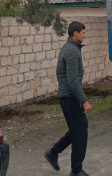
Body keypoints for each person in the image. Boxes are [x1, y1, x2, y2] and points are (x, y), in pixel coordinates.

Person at [44, 21, 92, 176]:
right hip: (70, 98)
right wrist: (84, 101)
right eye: (83, 32)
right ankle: (76, 171)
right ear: (75, 33)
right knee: (81, 133)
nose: (85, 35)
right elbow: (72, 80)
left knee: (78, 130)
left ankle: (53, 152)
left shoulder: (71, 48)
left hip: (68, 97)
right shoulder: (71, 51)